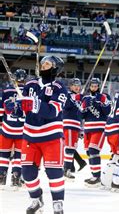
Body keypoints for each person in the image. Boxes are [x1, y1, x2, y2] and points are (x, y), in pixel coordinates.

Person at [19, 56, 68, 214]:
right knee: (27, 173)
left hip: (51, 136)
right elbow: (23, 109)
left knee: (54, 172)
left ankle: (58, 203)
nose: (43, 65)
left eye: (47, 64)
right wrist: (15, 107)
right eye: (42, 63)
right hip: (30, 135)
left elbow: (53, 111)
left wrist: (35, 104)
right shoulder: (31, 84)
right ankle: (37, 199)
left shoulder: (60, 87)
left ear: (55, 67)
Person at [81, 78, 112, 187]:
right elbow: (81, 115)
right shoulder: (85, 98)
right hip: (88, 128)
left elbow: (108, 112)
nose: (94, 88)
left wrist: (103, 102)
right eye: (92, 86)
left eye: (96, 86)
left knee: (94, 150)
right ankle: (94, 175)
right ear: (89, 86)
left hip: (99, 127)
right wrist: (82, 107)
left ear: (99, 86)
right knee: (89, 153)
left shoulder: (104, 96)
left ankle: (97, 177)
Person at [0, 69, 27, 190]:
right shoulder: (28, 92)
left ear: (14, 78)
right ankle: (16, 177)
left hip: (7, 129)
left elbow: (1, 111)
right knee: (18, 156)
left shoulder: (6, 91)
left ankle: (1, 176)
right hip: (22, 131)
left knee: (4, 154)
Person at [63, 78, 83, 180]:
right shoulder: (67, 95)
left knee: (72, 148)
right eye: (74, 85)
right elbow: (65, 106)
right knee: (69, 148)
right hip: (69, 124)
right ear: (70, 86)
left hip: (76, 126)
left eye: (78, 85)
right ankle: (66, 170)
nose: (77, 87)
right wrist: (74, 99)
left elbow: (81, 114)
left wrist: (81, 129)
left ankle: (67, 169)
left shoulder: (80, 97)